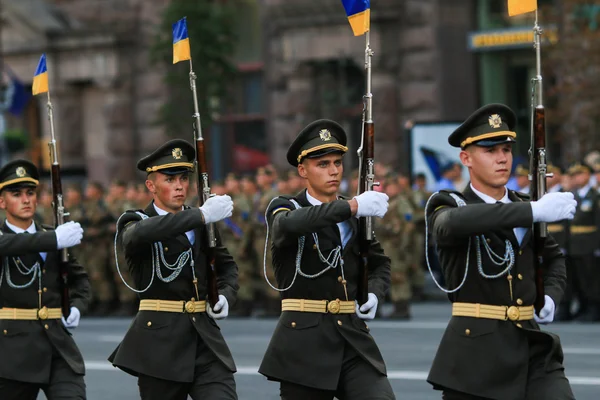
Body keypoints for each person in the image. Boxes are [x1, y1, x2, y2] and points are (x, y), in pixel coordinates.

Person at [425, 104, 577, 400]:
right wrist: (530, 210)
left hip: (531, 346)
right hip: (476, 354)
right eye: (490, 151)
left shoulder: (524, 204)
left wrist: (551, 297)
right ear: (466, 158)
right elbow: (451, 225)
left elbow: (554, 258)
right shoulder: (448, 203)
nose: (502, 159)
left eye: (506, 150)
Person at [258, 119, 395, 400]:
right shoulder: (285, 206)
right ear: (302, 170)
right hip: (304, 341)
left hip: (353, 337)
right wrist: (352, 206)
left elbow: (380, 263)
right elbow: (288, 226)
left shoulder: (354, 213)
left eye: (337, 162)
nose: (333, 171)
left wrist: (374, 293)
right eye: (323, 164)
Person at [108, 139, 240, 400]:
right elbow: (141, 234)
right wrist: (202, 215)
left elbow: (226, 267)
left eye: (183, 178)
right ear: (151, 185)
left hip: (205, 339)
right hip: (160, 343)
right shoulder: (135, 220)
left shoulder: (203, 219)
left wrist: (225, 295)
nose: (179, 185)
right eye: (169, 179)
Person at [0, 159, 89, 400]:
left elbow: (80, 282)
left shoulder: (54, 235)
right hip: (12, 354)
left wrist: (77, 308)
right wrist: (54, 240)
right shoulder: (52, 238)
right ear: (2, 201)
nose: (26, 199)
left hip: (58, 347)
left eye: (30, 193)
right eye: (16, 194)